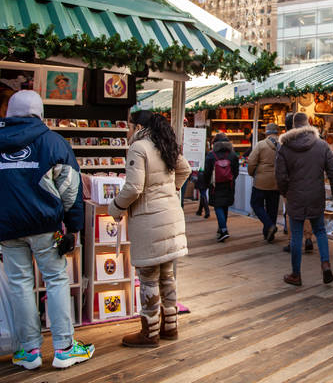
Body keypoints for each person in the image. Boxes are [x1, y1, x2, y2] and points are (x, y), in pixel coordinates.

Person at [0, 90, 94, 369]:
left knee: (19, 285)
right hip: (45, 225)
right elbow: (71, 188)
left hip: (6, 228)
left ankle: (29, 351)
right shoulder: (53, 142)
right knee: (55, 279)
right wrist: (73, 228)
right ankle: (64, 348)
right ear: (40, 113)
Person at [108, 110, 191, 347]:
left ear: (137, 126)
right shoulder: (165, 143)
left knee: (148, 278)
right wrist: (169, 192)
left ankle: (150, 332)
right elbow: (184, 169)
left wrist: (115, 207)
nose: (127, 130)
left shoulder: (139, 147)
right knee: (167, 275)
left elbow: (134, 187)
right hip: (171, 217)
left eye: (128, 125)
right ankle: (170, 326)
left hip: (149, 221)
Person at [276, 112, 333, 286]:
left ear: (293, 127)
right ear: (308, 124)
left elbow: (280, 175)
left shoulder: (285, 147)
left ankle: (296, 274)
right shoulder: (321, 145)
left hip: (295, 195)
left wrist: (284, 192)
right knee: (319, 230)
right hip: (315, 195)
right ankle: (325, 263)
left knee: (296, 234)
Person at [282, 112, 315, 253]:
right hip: (309, 182)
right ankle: (308, 238)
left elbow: (281, 167)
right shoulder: (312, 139)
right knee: (307, 212)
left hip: (292, 183)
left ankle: (292, 241)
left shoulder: (285, 142)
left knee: (291, 213)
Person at [248, 123, 281, 243]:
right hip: (276, 182)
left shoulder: (261, 145)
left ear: (266, 132)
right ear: (278, 132)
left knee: (256, 204)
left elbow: (251, 162)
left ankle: (269, 225)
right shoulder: (283, 145)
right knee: (272, 208)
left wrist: (253, 174)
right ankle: (269, 235)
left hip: (261, 182)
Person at [204, 132, 239, 242]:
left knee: (218, 206)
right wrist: (231, 179)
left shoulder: (211, 155)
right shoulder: (233, 155)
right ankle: (221, 228)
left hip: (215, 185)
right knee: (225, 206)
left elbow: (207, 172)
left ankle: (223, 230)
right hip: (229, 185)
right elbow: (236, 171)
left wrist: (206, 183)